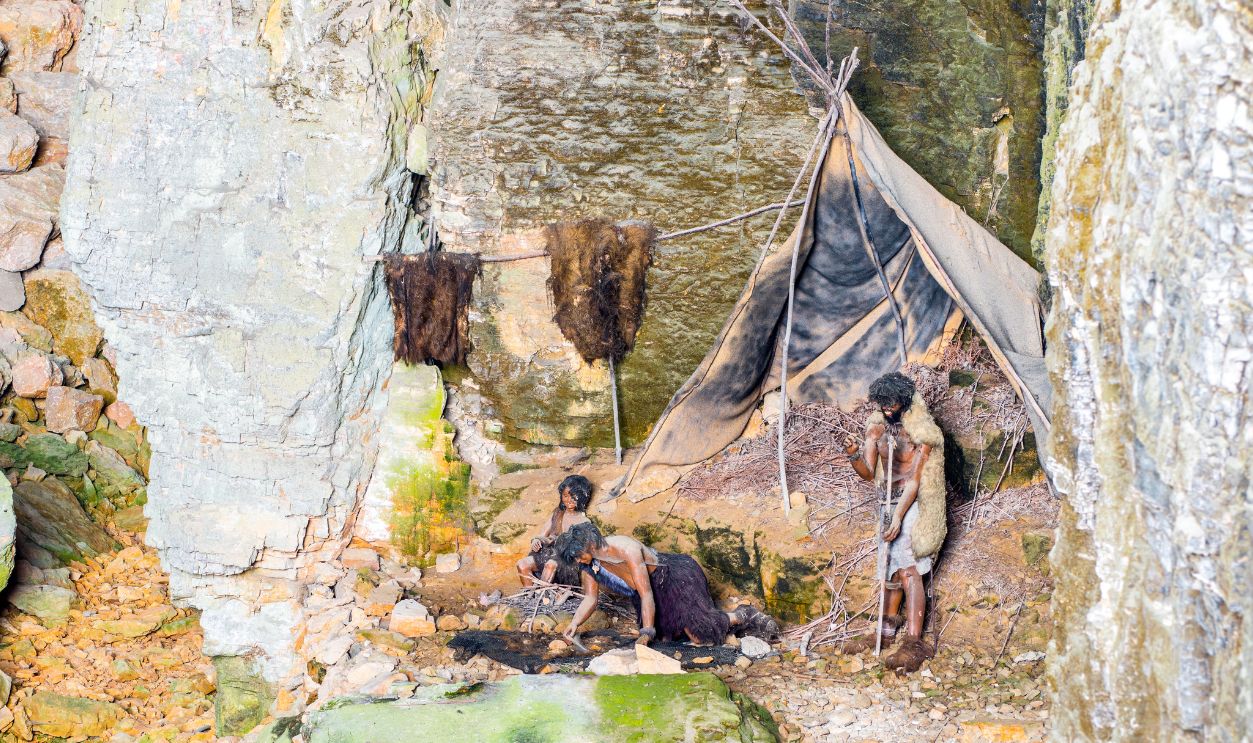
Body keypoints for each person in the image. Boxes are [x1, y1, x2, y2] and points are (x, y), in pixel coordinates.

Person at [842, 372, 946, 673]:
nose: (887, 408)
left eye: (892, 403)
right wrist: (854, 454)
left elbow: (915, 480)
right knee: (889, 567)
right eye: (883, 403)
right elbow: (868, 472)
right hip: (885, 502)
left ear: (904, 400)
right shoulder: (876, 428)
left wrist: (900, 517)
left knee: (910, 569)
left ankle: (914, 641)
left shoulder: (921, 433)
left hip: (911, 503)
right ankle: (885, 631)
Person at [555, 522, 779, 646]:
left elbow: (646, 595)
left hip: (676, 578)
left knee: (701, 636)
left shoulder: (626, 549)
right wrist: (575, 623)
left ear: (590, 544)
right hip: (648, 593)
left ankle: (742, 615)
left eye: (577, 556)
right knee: (664, 641)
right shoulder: (588, 563)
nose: (577, 561)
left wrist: (646, 631)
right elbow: (590, 598)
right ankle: (691, 622)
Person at [515, 475, 593, 588]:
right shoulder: (558, 513)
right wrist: (536, 540)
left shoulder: (584, 522)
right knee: (522, 564)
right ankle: (529, 594)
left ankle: (539, 597)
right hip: (548, 553)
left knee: (550, 565)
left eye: (574, 496)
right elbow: (542, 535)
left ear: (582, 497)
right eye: (565, 496)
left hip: (566, 562)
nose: (569, 500)